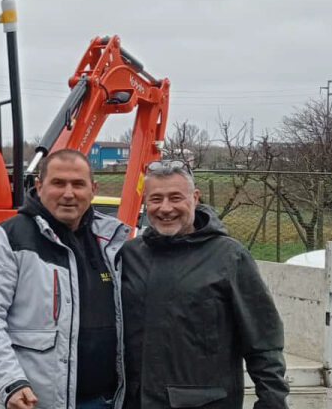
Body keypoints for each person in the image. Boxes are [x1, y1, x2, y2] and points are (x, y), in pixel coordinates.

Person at [0, 149, 131, 409]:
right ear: (39, 185)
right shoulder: (7, 239)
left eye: (78, 184)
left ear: (93, 189)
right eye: (58, 183)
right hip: (30, 402)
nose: (69, 193)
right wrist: (10, 382)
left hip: (102, 401)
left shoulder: (110, 241)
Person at [120, 160, 289, 409]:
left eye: (175, 198)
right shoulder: (129, 255)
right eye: (156, 199)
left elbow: (263, 341)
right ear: (146, 202)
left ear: (195, 198)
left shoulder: (229, 257)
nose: (165, 208)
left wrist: (272, 402)